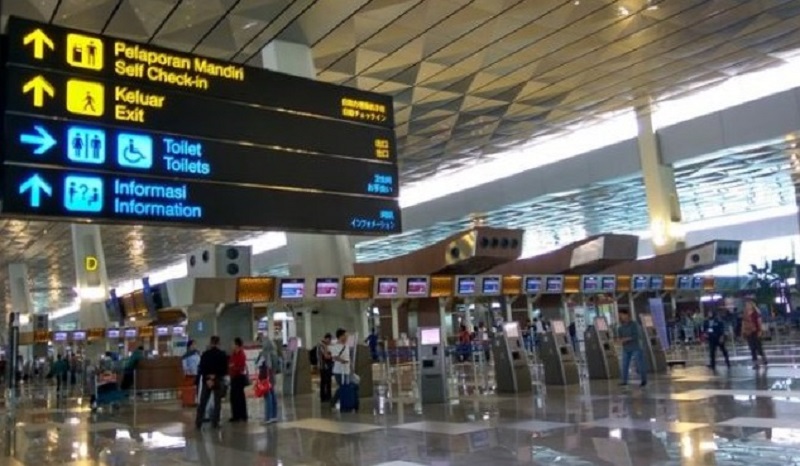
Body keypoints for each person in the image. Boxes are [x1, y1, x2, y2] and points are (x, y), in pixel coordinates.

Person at [195, 336, 228, 429]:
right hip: (218, 380)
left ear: (211, 343)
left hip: (207, 380)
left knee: (203, 402)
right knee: (217, 402)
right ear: (218, 343)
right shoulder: (222, 354)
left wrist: (208, 378)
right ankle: (215, 422)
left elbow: (201, 368)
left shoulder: (205, 354)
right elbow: (224, 369)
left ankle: (198, 422)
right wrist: (215, 376)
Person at [617, 309, 647, 388]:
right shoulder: (620, 328)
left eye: (622, 315)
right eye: (620, 316)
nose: (621, 317)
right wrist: (620, 340)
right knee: (624, 364)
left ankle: (643, 380)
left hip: (636, 347)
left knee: (640, 364)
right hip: (626, 348)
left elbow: (636, 336)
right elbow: (619, 337)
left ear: (627, 315)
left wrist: (626, 339)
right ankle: (624, 381)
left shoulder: (634, 325)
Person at [256, 336, 279, 424]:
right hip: (272, 376)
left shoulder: (264, 354)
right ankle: (274, 416)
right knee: (273, 395)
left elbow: (258, 364)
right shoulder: (275, 353)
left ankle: (268, 417)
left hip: (265, 377)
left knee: (267, 396)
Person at [742, 300, 768, 369]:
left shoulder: (756, 313)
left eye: (749, 305)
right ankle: (755, 364)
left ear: (752, 306)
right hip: (748, 332)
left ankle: (764, 358)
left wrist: (760, 331)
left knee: (759, 348)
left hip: (756, 331)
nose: (747, 306)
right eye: (746, 305)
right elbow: (743, 323)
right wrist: (743, 331)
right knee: (752, 348)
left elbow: (759, 322)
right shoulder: (745, 314)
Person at [329, 328, 351, 410]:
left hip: (346, 370)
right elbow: (334, 357)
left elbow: (348, 357)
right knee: (342, 386)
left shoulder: (346, 346)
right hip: (338, 371)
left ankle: (343, 402)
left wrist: (351, 367)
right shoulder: (335, 346)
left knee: (345, 386)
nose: (346, 337)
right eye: (345, 336)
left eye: (347, 336)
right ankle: (334, 402)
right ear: (340, 336)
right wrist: (342, 361)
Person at [228, 337, 248, 423]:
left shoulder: (241, 354)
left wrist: (233, 367)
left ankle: (242, 415)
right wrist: (232, 367)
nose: (231, 345)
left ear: (237, 345)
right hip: (233, 377)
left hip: (239, 377)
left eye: (233, 344)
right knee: (233, 397)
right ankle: (235, 415)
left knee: (240, 397)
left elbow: (240, 367)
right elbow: (230, 364)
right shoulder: (233, 354)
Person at [317, 333, 334, 403]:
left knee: (326, 381)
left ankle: (326, 396)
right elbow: (326, 356)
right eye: (329, 340)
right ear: (327, 339)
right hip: (324, 366)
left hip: (324, 366)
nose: (330, 342)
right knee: (325, 382)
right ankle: (325, 397)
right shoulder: (322, 345)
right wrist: (332, 356)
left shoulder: (323, 345)